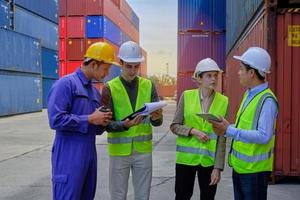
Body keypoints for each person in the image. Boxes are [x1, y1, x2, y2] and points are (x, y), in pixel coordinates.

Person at [47, 42, 119, 200]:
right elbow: (55, 119)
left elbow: (95, 127)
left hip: (88, 154)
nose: (107, 74)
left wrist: (103, 122)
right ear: (94, 64)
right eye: (106, 69)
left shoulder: (94, 91)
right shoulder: (66, 84)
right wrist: (90, 118)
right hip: (68, 154)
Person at [208, 47, 278, 200]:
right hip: (240, 168)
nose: (238, 73)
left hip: (254, 173)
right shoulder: (249, 94)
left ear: (252, 73)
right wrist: (225, 129)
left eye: (241, 69)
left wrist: (230, 130)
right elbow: (244, 128)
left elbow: (264, 135)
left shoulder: (267, 100)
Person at [101, 41, 163, 200]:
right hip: (119, 152)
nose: (133, 70)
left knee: (143, 196)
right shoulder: (110, 87)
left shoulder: (149, 85)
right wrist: (124, 125)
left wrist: (157, 118)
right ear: (120, 63)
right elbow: (105, 124)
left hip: (143, 151)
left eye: (136, 66)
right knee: (118, 195)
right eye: (129, 66)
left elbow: (157, 122)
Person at [170, 58, 228, 200]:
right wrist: (192, 131)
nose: (213, 79)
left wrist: (218, 167)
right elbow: (174, 126)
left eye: (215, 75)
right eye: (209, 76)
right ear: (199, 78)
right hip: (186, 160)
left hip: (208, 161)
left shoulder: (223, 101)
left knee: (208, 197)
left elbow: (222, 136)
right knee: (182, 196)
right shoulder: (187, 96)